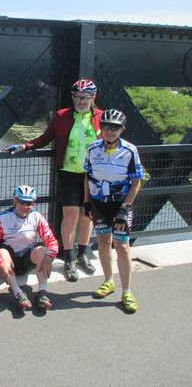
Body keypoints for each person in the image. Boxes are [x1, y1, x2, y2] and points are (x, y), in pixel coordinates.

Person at [3, 79, 103, 282]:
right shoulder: (62, 116)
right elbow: (45, 137)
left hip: (93, 175)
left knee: (87, 216)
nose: (81, 101)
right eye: (77, 97)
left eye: (85, 98)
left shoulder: (101, 117)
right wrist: (25, 146)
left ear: (93, 98)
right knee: (71, 215)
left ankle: (83, 253)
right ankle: (69, 257)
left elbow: (113, 140)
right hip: (68, 172)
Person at [84, 109, 143, 313]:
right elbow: (88, 176)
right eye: (106, 127)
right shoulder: (92, 148)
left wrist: (125, 208)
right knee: (102, 242)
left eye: (114, 128)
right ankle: (108, 281)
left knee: (122, 246)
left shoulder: (130, 150)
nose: (109, 132)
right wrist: (86, 202)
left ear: (122, 129)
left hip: (120, 204)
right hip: (99, 204)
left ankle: (126, 291)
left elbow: (137, 181)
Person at [0, 185, 59, 311]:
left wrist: (49, 257)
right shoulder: (2, 218)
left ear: (34, 205)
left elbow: (51, 241)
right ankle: (18, 293)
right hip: (8, 263)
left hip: (27, 259)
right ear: (14, 202)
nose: (25, 207)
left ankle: (42, 293)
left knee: (43, 250)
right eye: (21, 203)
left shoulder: (37, 217)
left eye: (29, 203)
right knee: (2, 251)